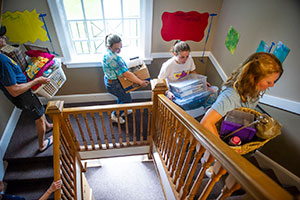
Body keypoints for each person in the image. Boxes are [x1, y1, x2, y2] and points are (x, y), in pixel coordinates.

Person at [200, 52, 283, 137]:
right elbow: (206, 122)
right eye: (269, 82)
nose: (272, 85)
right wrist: (222, 149)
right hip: (214, 136)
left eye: (274, 81)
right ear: (253, 78)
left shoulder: (253, 92)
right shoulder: (231, 96)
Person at [0, 26, 53, 152]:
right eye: (1, 37)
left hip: (24, 90)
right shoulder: (2, 62)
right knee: (39, 117)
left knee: (39, 105)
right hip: (22, 95)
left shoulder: (2, 55)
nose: (5, 38)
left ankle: (48, 125)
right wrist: (36, 81)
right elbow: (14, 90)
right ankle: (42, 145)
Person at [102, 34, 149, 124]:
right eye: (117, 49)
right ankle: (115, 115)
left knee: (122, 96)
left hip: (109, 80)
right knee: (126, 99)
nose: (119, 51)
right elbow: (126, 74)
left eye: (120, 47)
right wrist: (140, 82)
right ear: (109, 46)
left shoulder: (107, 53)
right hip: (114, 84)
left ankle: (123, 110)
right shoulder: (114, 58)